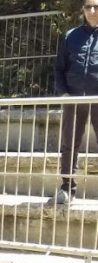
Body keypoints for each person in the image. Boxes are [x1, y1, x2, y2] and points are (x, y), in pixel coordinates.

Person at [51, 1, 98, 205]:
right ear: (83, 10)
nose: (92, 11)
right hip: (74, 99)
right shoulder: (71, 36)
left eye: (96, 7)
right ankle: (67, 188)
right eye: (88, 7)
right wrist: (63, 93)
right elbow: (59, 68)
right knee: (69, 144)